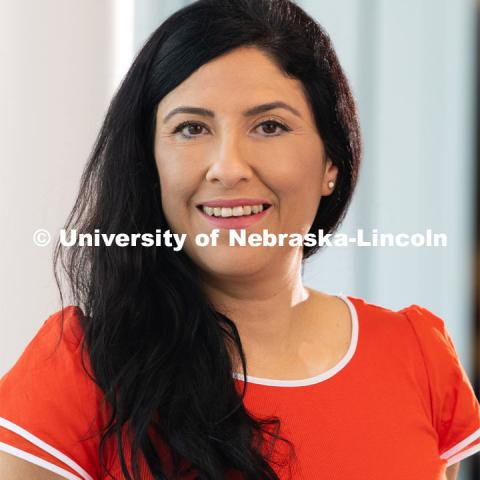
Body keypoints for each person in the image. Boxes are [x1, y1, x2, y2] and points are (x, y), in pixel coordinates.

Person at [0, 0, 478, 479]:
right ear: (150, 163)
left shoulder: (419, 357)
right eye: (191, 128)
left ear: (332, 163)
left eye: (269, 126)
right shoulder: (81, 368)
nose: (228, 168)